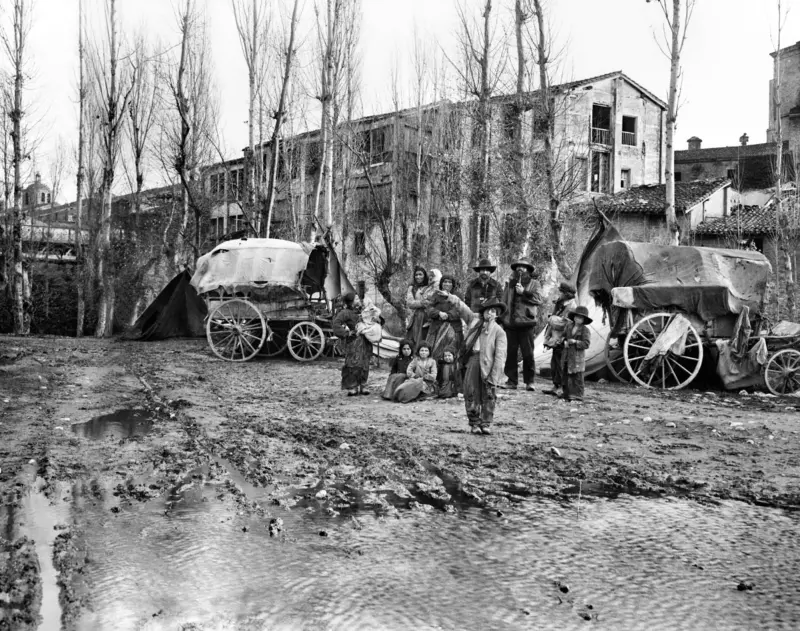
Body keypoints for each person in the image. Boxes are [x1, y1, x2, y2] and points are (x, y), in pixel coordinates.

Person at [446, 294, 507, 435]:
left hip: (489, 365)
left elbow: (500, 355)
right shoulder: (474, 322)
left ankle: (486, 423)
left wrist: (495, 374)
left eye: (493, 311)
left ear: (497, 314)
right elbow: (462, 308)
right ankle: (474, 422)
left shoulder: (499, 332)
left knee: (489, 393)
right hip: (473, 360)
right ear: (483, 312)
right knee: (471, 391)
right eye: (488, 310)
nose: (490, 313)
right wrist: (449, 296)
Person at [500, 259, 541, 391]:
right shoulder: (510, 283)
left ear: (528, 270)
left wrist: (524, 292)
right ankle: (512, 381)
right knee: (510, 353)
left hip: (526, 323)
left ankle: (530, 381)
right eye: (518, 267)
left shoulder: (534, 283)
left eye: (523, 267)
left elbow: (538, 300)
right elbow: (504, 301)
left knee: (528, 354)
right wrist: (502, 318)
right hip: (510, 324)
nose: (520, 269)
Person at [332, 293, 372, 396]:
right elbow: (336, 324)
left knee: (365, 363)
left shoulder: (365, 310)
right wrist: (346, 333)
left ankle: (363, 385)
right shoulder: (345, 313)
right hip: (354, 342)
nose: (359, 300)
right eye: (357, 299)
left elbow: (377, 319)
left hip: (366, 341)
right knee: (353, 364)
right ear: (351, 302)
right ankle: (353, 386)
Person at [542, 282, 578, 397]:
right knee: (555, 363)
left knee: (561, 364)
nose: (560, 294)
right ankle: (556, 386)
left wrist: (552, 319)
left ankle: (563, 388)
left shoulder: (571, 307)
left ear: (566, 294)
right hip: (557, 338)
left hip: (564, 338)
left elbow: (565, 324)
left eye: (561, 292)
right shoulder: (561, 304)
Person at [425, 274, 463, 360]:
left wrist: (447, 315)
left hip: (453, 328)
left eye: (449, 282)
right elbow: (429, 309)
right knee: (433, 353)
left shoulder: (457, 295)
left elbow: (459, 310)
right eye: (445, 282)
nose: (447, 284)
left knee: (450, 354)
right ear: (441, 283)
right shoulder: (436, 294)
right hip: (436, 327)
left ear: (453, 284)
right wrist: (439, 313)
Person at [561, 305, 593, 402]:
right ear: (574, 317)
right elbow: (563, 336)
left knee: (577, 375)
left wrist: (575, 342)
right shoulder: (568, 326)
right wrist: (564, 342)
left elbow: (586, 344)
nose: (578, 319)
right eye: (576, 316)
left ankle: (577, 395)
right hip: (567, 354)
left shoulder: (585, 330)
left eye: (580, 317)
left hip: (577, 356)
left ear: (584, 320)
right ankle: (567, 393)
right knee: (566, 373)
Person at [405, 266, 432, 347]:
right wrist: (422, 303)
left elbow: (429, 303)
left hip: (426, 317)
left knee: (424, 339)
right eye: (416, 275)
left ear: (424, 275)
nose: (418, 277)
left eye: (420, 274)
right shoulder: (412, 288)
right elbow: (410, 303)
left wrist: (419, 303)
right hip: (415, 317)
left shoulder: (429, 287)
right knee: (412, 340)